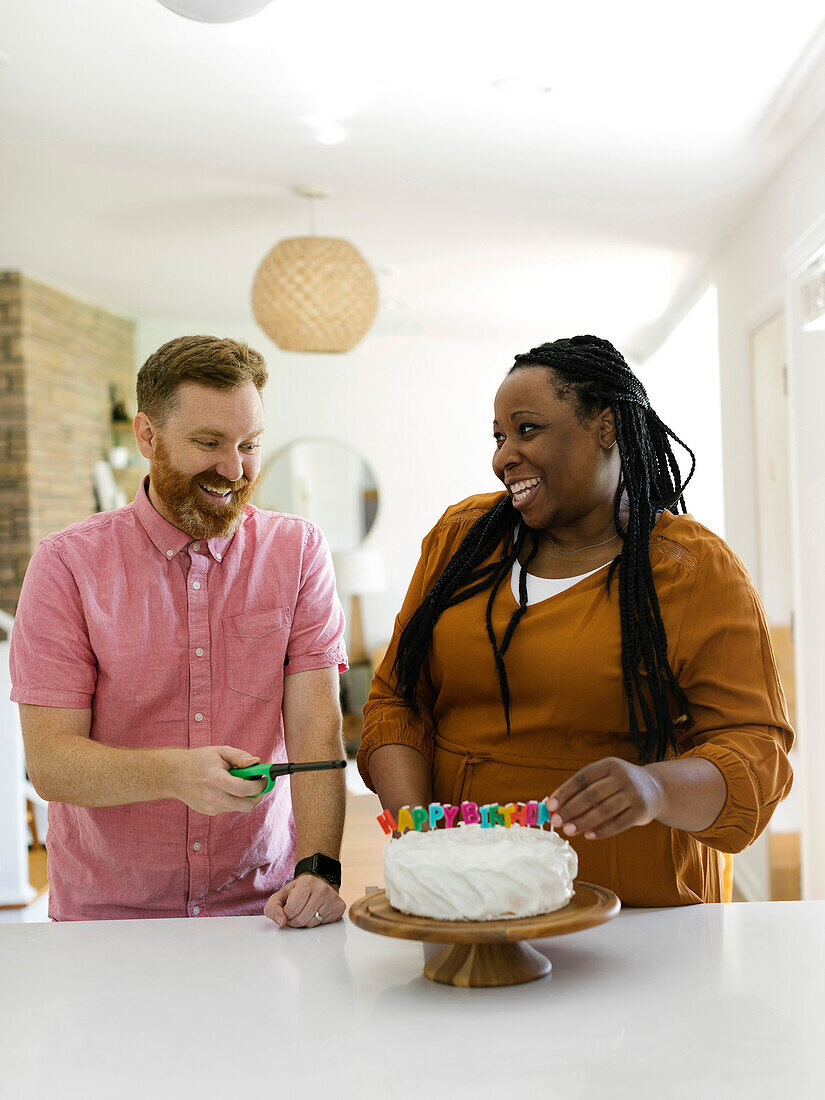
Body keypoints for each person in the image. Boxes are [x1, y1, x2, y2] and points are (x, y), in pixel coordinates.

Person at [357, 335, 794, 906]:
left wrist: (654, 787)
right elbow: (396, 702)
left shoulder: (693, 570)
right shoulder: (460, 541)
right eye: (498, 437)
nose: (502, 456)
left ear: (606, 427)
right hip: (463, 896)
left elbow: (754, 751)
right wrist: (420, 838)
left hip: (635, 907)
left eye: (527, 429)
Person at [10, 335, 348, 926]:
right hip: (109, 918)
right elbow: (51, 764)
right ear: (147, 436)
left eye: (249, 445)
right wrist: (174, 773)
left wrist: (320, 869)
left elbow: (316, 727)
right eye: (208, 443)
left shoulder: (298, 552)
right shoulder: (66, 565)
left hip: (261, 907)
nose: (233, 468)